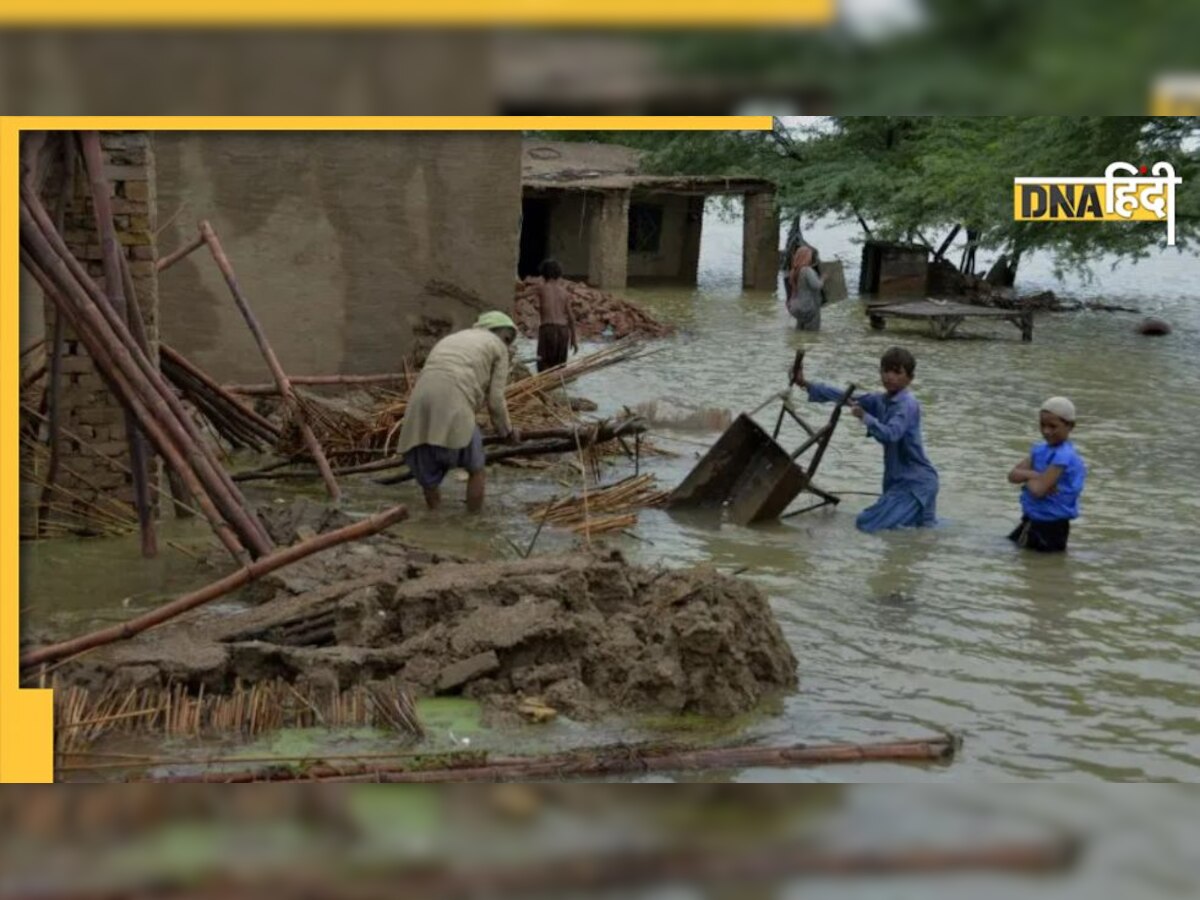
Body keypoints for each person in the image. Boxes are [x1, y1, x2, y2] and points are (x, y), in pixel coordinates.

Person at [795, 346, 939, 532]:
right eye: (886, 371)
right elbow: (843, 396)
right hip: (905, 484)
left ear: (910, 378)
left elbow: (891, 434)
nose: (890, 376)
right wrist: (805, 383)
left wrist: (865, 417)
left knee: (867, 523)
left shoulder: (907, 405)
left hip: (915, 485)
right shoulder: (880, 400)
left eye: (897, 372)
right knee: (923, 534)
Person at [396, 311, 521, 512]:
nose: (507, 345)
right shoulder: (497, 347)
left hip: (420, 402)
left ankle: (435, 519)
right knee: (476, 468)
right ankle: (473, 523)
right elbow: (496, 401)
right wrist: (506, 432)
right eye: (507, 339)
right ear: (496, 333)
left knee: (428, 479)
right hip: (455, 399)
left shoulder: (453, 339)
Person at [1007, 397, 1086, 552]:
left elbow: (1038, 491)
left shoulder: (1064, 456)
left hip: (1051, 527)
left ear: (1070, 426)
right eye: (1042, 425)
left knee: (1038, 564)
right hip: (1032, 521)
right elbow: (1012, 476)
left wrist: (1028, 477)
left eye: (1053, 426)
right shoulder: (1040, 449)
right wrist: (1036, 475)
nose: (1046, 431)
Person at [534, 259, 578, 372]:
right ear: (559, 274)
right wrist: (573, 339)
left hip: (548, 329)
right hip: (563, 331)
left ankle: (544, 389)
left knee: (543, 366)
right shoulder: (564, 292)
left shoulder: (541, 288)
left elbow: (518, 296)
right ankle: (557, 389)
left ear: (543, 274)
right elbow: (571, 318)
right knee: (560, 368)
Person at [785, 246, 823, 331]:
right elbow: (816, 285)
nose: (811, 258)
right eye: (809, 256)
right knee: (812, 335)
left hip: (798, 307)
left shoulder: (794, 271)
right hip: (809, 307)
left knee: (800, 331)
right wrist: (823, 279)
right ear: (806, 257)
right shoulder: (806, 270)